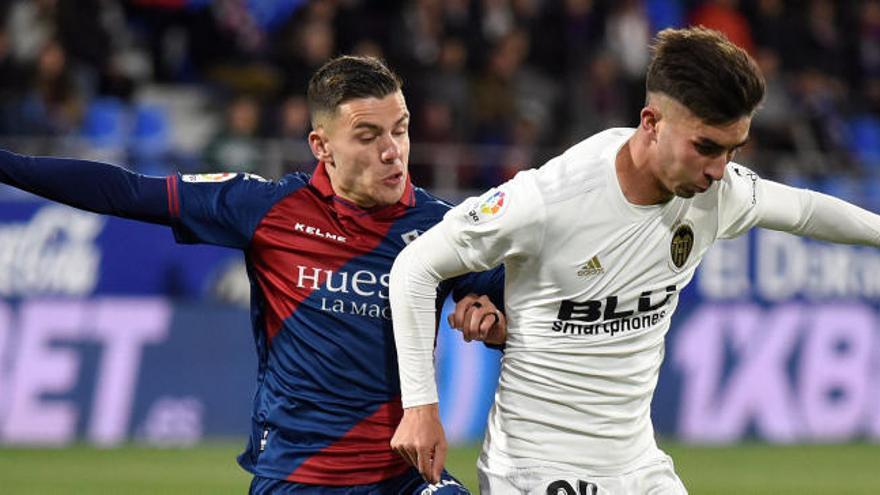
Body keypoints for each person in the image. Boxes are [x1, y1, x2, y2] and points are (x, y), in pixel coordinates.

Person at [388, 27, 880, 493]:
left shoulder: (716, 193)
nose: (718, 171)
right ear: (651, 122)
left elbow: (805, 210)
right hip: (539, 465)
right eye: (705, 147)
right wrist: (421, 408)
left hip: (638, 462)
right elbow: (416, 266)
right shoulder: (551, 198)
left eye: (732, 150)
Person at [0, 55, 507, 494]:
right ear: (321, 145)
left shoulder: (442, 227)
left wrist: (494, 317)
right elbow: (127, 192)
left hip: (404, 475)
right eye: (368, 136)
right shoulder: (265, 208)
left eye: (400, 128)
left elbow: (530, 303)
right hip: (297, 477)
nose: (392, 150)